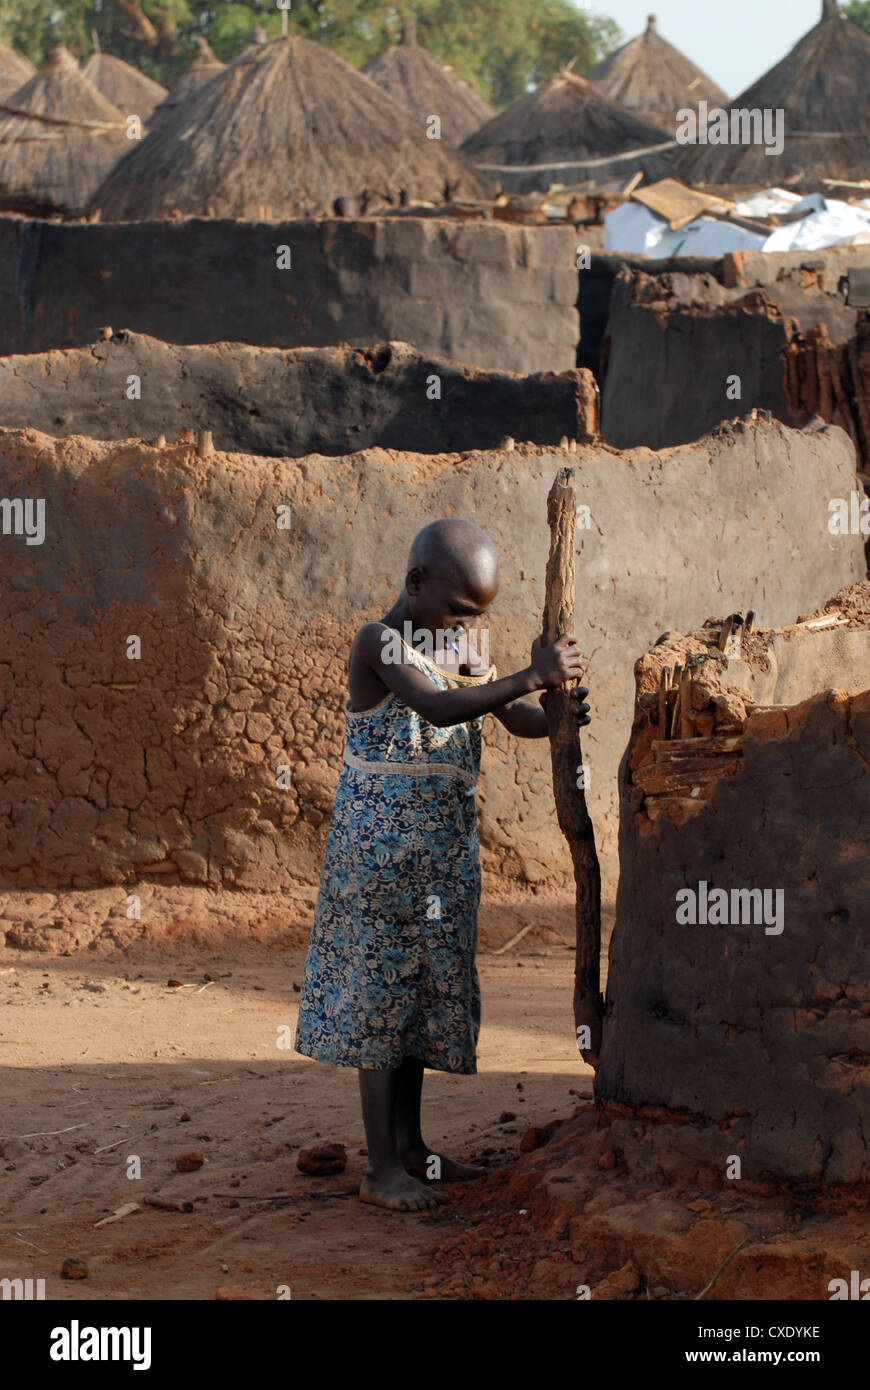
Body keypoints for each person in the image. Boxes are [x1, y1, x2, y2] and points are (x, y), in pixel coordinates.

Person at [294, 518, 590, 1211]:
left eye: (477, 617)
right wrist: (528, 671)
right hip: (379, 863)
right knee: (379, 1001)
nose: (463, 627)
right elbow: (436, 707)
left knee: (419, 1000)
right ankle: (378, 1171)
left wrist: (559, 710)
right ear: (415, 582)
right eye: (458, 611)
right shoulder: (379, 643)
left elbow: (508, 716)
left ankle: (413, 1151)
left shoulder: (463, 651)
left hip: (439, 861)